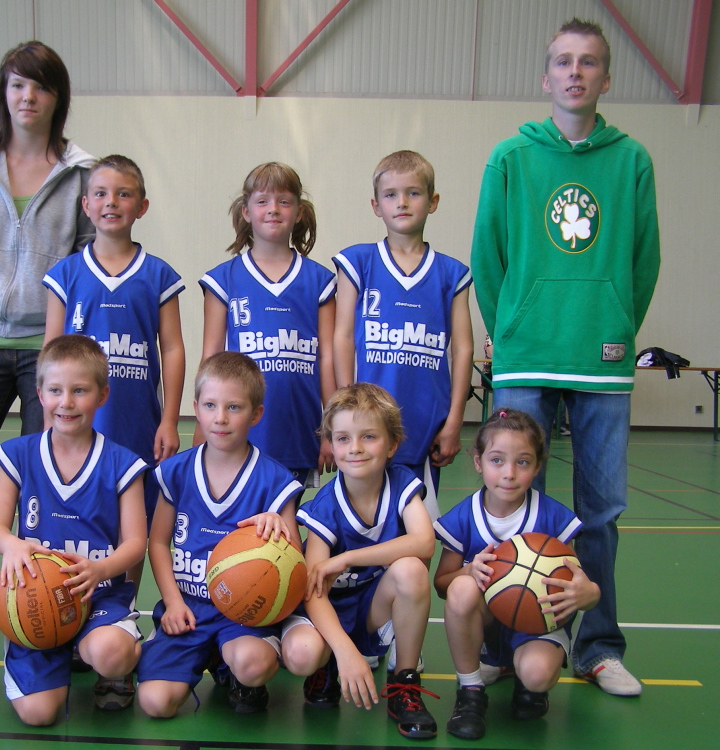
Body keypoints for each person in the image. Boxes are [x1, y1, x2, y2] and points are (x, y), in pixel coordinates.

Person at [470, 18, 659, 696]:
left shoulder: (631, 159)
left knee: (600, 510)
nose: (575, 72)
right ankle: (505, 638)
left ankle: (599, 647)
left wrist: (613, 322)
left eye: (589, 63)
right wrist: (510, 325)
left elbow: (643, 258)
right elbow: (487, 255)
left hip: (601, 357)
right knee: (511, 505)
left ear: (606, 79)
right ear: (545, 77)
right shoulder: (511, 158)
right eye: (563, 62)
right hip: (526, 356)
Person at [0, 40, 95, 503]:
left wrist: (52, 326)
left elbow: (85, 257)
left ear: (58, 98)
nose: (28, 96)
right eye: (18, 84)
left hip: (43, 350)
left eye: (41, 87)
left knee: (41, 480)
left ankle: (37, 577)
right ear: (4, 94)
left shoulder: (81, 174)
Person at [0, 335, 148, 725]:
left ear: (102, 395)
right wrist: (12, 545)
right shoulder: (19, 455)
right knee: (38, 714)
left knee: (110, 653)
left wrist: (101, 570)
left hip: (100, 597)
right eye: (55, 390)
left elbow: (136, 543)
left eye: (80, 391)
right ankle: (47, 646)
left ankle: (114, 663)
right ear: (39, 393)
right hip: (39, 600)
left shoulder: (122, 463)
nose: (67, 402)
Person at [137, 352, 304, 718]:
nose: (221, 418)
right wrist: (172, 601)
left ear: (256, 414)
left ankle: (237, 671)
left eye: (234, 407)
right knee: (155, 704)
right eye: (211, 405)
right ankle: (208, 654)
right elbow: (159, 542)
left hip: (244, 613)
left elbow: (295, 565)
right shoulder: (175, 472)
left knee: (252, 664)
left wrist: (280, 532)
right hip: (188, 607)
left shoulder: (274, 481)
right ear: (195, 408)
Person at [433, 409, 599, 739]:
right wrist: (468, 570)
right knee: (462, 589)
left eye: (522, 462)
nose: (509, 473)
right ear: (478, 462)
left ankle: (529, 683)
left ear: (538, 467)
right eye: (497, 460)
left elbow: (586, 587)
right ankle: (470, 692)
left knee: (537, 674)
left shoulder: (552, 518)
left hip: (537, 625)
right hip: (487, 627)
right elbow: (441, 585)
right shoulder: (464, 517)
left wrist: (586, 595)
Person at [285, 383, 438, 740]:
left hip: (371, 607)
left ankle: (405, 684)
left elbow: (424, 543)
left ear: (392, 444)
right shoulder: (325, 505)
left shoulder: (401, 484)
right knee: (307, 652)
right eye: (343, 438)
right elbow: (314, 591)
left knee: (412, 569)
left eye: (368, 437)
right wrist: (345, 652)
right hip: (328, 614)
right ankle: (326, 667)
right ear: (331, 445)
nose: (354, 448)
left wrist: (349, 558)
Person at [43, 154, 186, 533]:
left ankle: (126, 596)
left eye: (123, 194)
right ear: (86, 205)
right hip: (75, 423)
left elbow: (172, 349)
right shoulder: (66, 274)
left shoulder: (158, 275)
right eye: (101, 193)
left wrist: (170, 420)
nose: (111, 202)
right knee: (77, 520)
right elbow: (50, 351)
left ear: (141, 207)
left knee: (133, 522)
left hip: (137, 424)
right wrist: (47, 418)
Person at [333, 151, 473, 520]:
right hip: (366, 423)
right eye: (392, 194)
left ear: (433, 201)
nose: (403, 202)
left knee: (415, 532)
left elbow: (462, 348)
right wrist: (344, 407)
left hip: (425, 425)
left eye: (414, 192)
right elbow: (343, 336)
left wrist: (455, 420)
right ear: (376, 205)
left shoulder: (451, 273)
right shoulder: (358, 262)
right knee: (360, 522)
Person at [199, 162, 335, 487]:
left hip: (298, 429)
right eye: (262, 201)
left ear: (299, 212)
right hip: (238, 430)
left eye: (284, 201)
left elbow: (327, 358)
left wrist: (333, 427)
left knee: (284, 530)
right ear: (246, 212)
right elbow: (211, 357)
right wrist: (205, 425)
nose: (273, 209)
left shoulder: (320, 281)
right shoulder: (224, 280)